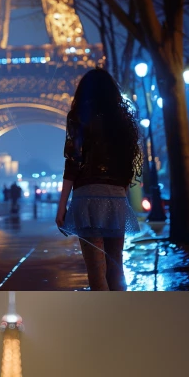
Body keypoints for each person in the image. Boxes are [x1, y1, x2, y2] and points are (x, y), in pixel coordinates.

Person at [55, 68, 143, 291]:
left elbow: (72, 162)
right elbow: (128, 162)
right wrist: (121, 192)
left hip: (87, 198)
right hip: (115, 197)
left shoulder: (78, 118)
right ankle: (120, 318)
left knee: (96, 270)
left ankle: (103, 318)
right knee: (116, 267)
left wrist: (62, 205)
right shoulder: (122, 121)